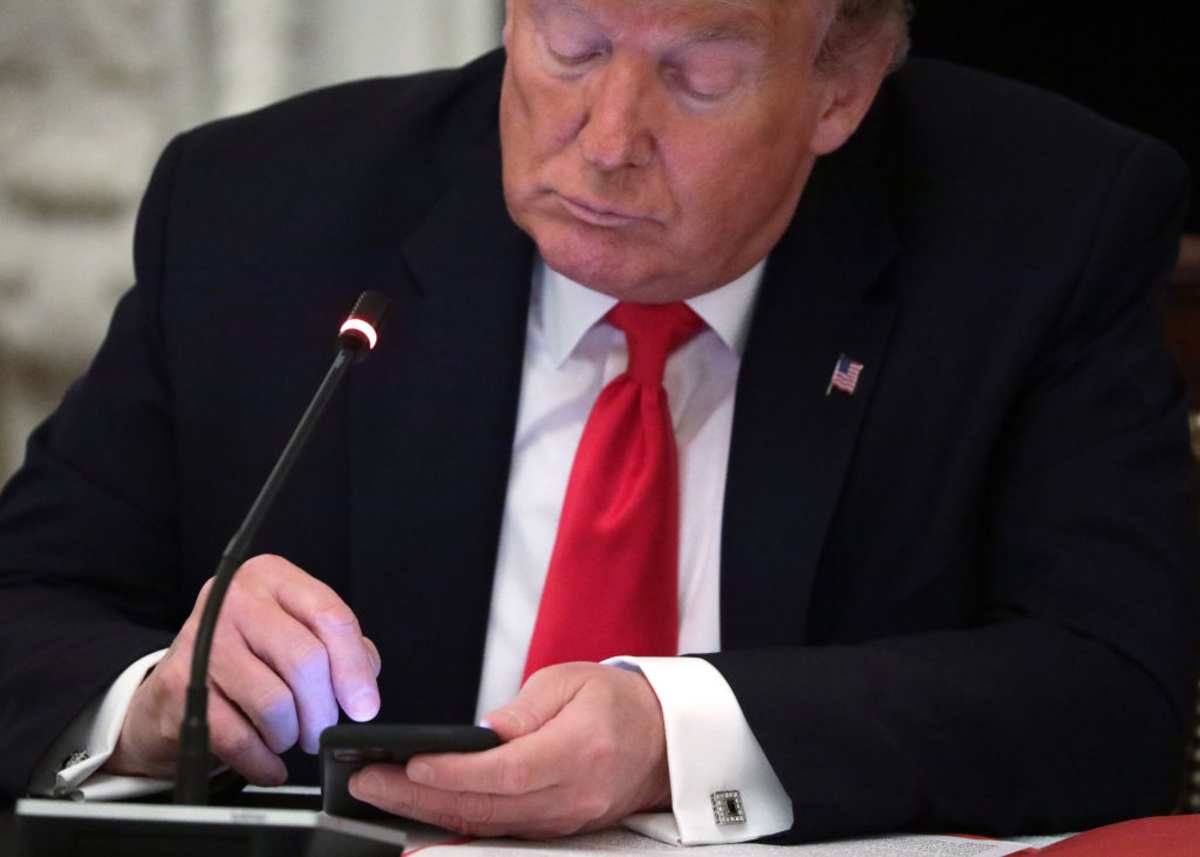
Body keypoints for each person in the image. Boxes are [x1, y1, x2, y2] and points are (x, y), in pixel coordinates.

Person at [0, 0, 1197, 845]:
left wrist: (677, 733)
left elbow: (1115, 687)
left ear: (842, 85)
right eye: (569, 45)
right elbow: (27, 604)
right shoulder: (261, 211)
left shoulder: (1042, 226)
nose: (610, 139)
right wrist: (157, 695)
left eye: (699, 76)